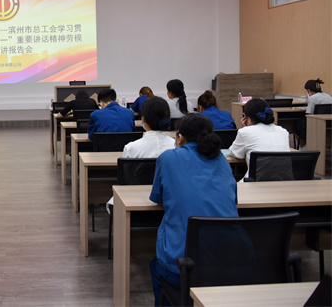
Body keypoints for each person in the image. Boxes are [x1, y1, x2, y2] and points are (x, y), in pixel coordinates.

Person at [149, 113, 238, 305]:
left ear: (180, 137)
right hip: (230, 261)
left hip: (184, 267)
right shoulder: (222, 160)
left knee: (156, 267)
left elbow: (158, 199)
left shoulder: (168, 158)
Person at [106, 96, 175, 211]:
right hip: (169, 201)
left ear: (143, 120)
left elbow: (126, 180)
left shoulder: (132, 148)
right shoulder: (176, 146)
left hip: (134, 202)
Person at [229, 98, 290, 177]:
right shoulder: (283, 131)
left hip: (256, 181)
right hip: (284, 180)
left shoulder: (245, 132)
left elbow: (236, 154)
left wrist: (247, 128)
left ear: (247, 118)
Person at [294, 78, 332, 146]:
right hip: (328, 123)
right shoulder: (329, 97)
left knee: (298, 124)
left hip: (315, 123)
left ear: (308, 90)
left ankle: (303, 146)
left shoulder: (313, 98)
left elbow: (309, 114)